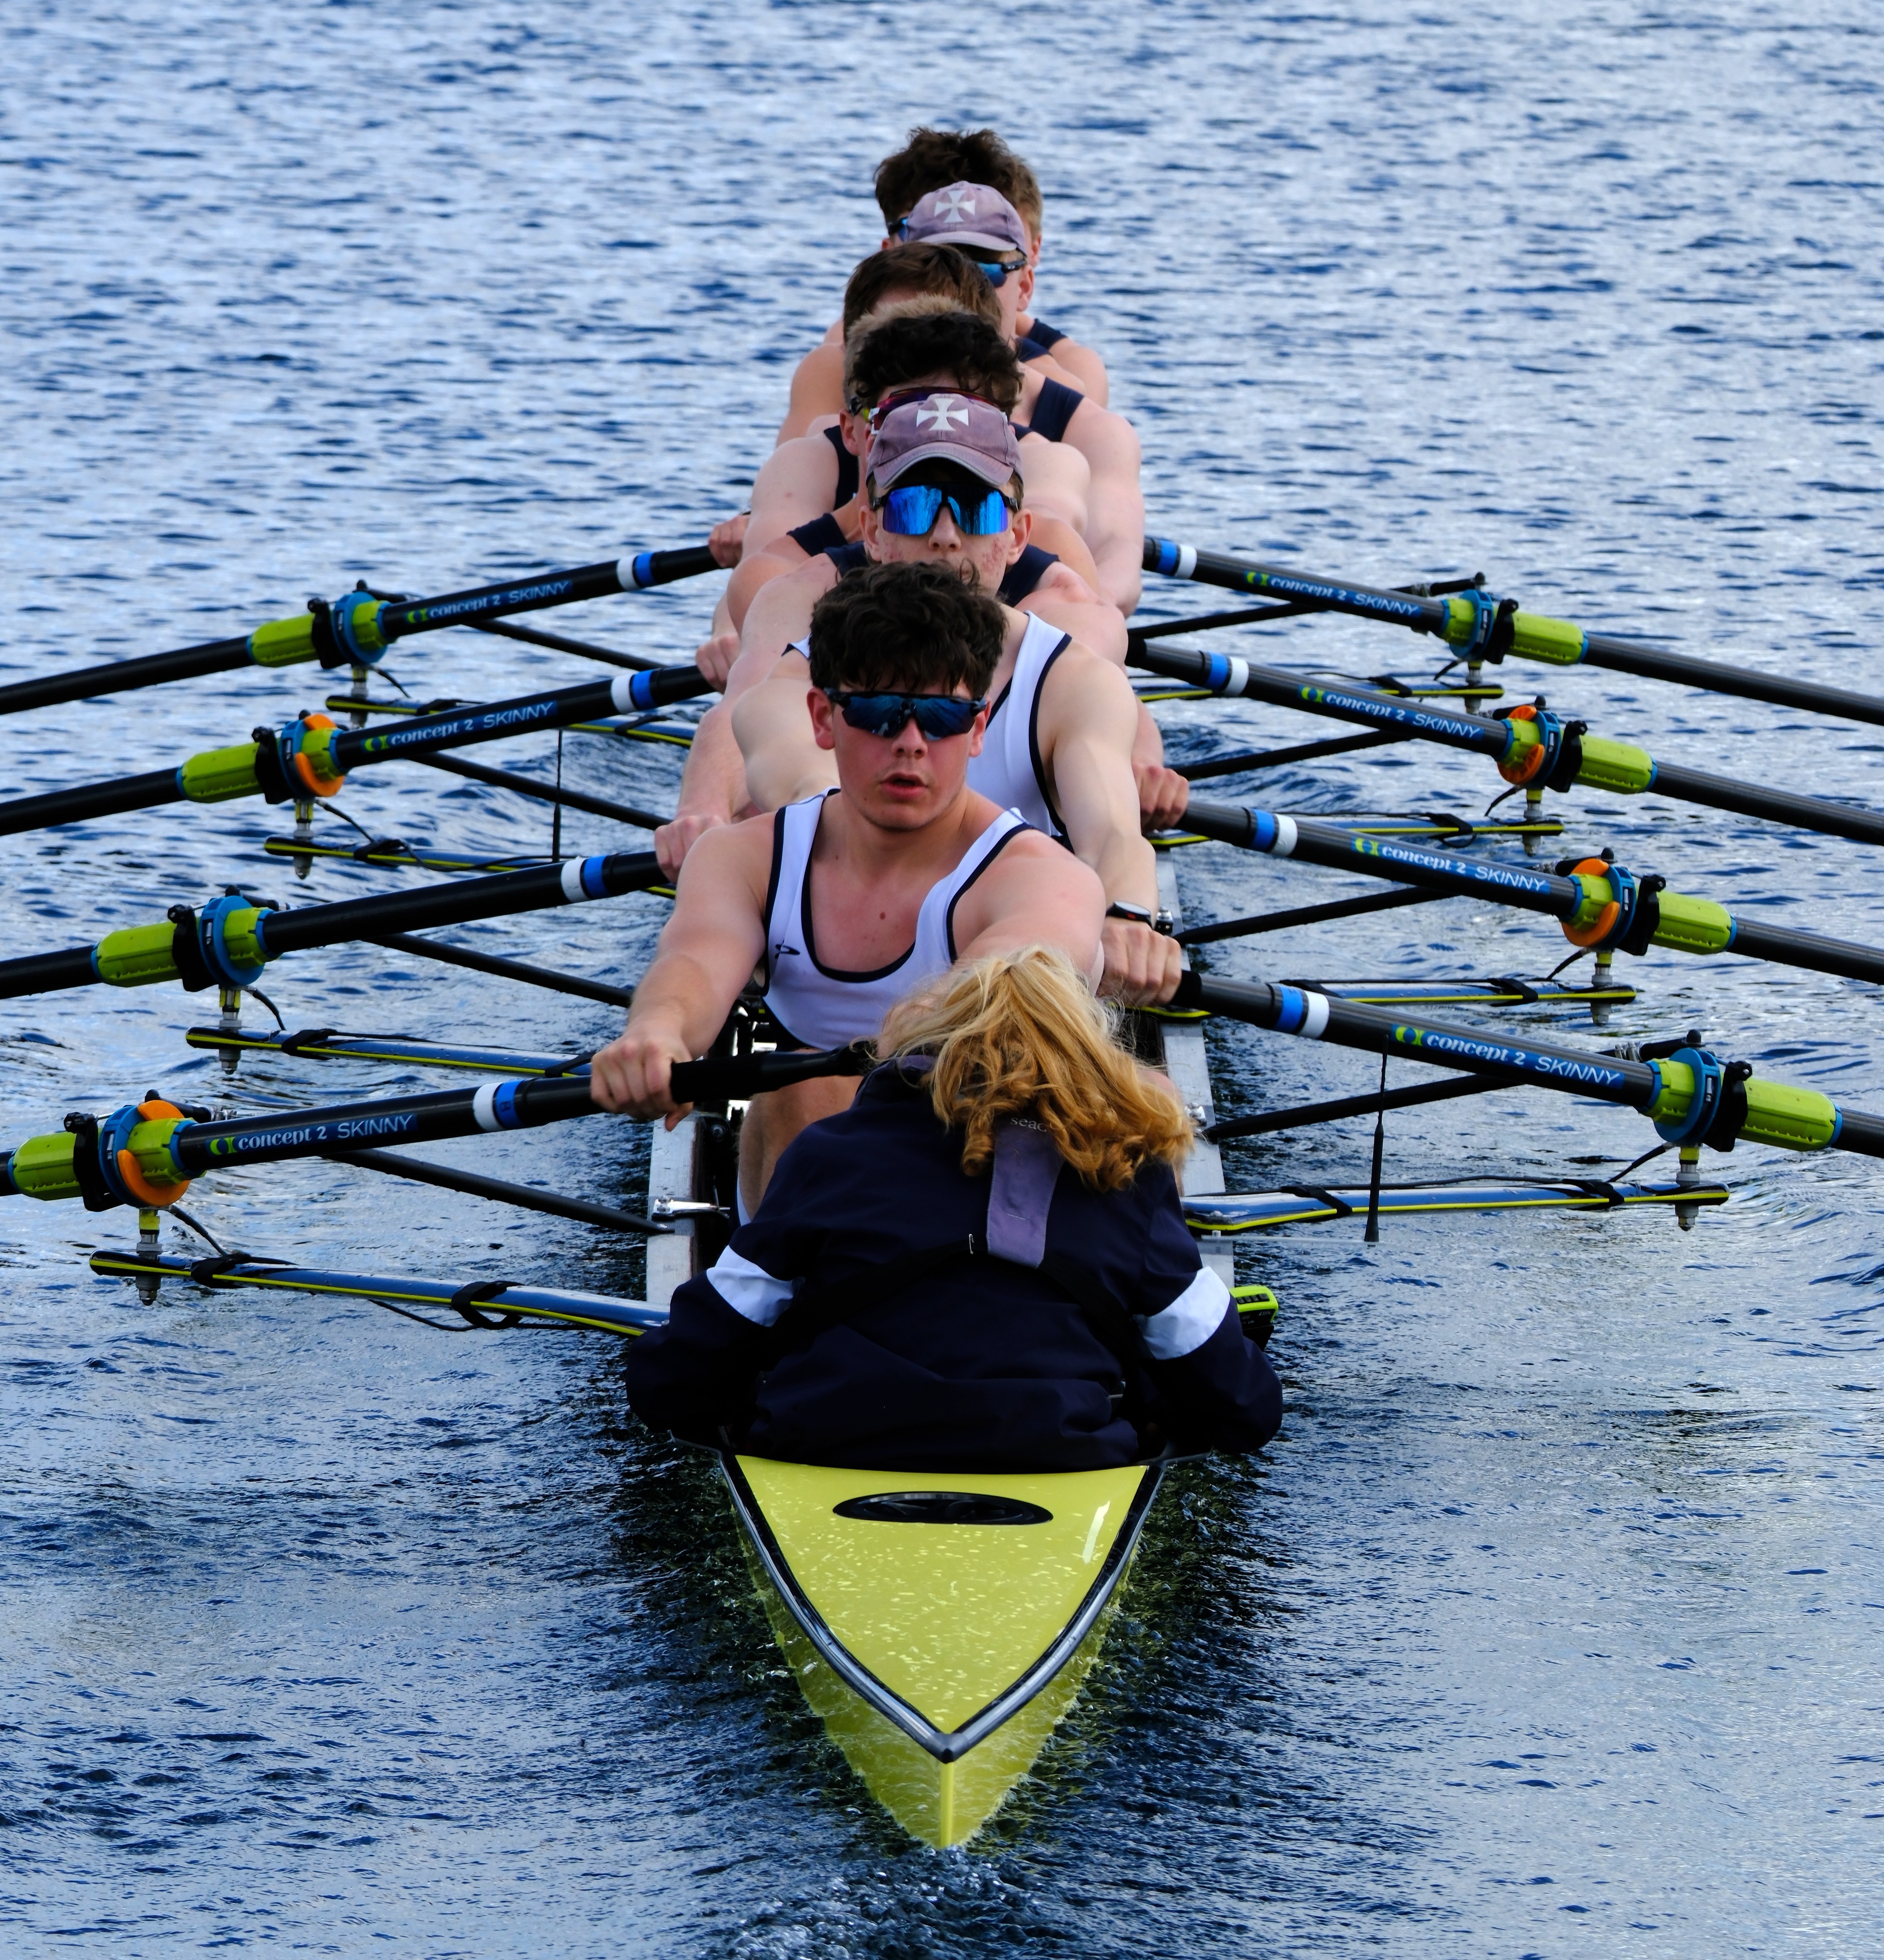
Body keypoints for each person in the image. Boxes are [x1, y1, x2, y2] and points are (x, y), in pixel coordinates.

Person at [625, 946, 1282, 1471]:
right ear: (1091, 1059)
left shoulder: (833, 1152)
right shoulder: (1126, 1175)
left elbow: (680, 1368)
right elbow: (1246, 1407)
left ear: (930, 1043)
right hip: (1059, 1458)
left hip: (827, 1443)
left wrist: (706, 1395)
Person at [589, 560, 1104, 1214]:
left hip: (979, 1156)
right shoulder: (745, 858)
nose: (911, 743)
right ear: (823, 716)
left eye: (941, 716)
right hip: (823, 1170)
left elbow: (985, 995)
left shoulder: (1045, 877)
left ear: (977, 729)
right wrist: (659, 1034)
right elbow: (693, 958)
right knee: (800, 1095)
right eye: (880, 712)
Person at [723, 392, 1184, 1004]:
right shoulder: (798, 681)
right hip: (851, 963)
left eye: (974, 509)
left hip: (1010, 984)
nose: (944, 537)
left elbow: (1112, 837)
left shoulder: (1072, 679)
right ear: (872, 532)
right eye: (914, 509)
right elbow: (808, 789)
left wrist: (1127, 915)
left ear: (1017, 534)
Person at [717, 251, 1098, 645]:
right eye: (907, 413)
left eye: (959, 413)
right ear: (852, 429)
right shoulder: (780, 576)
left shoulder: (1057, 570)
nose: (934, 428)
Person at [776, 124, 1110, 442]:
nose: (960, 287)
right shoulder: (833, 368)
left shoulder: (1064, 390)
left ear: (1025, 282)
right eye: (937, 265)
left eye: (985, 268)